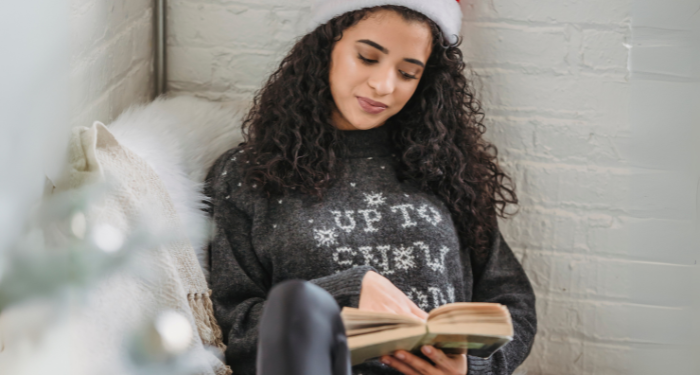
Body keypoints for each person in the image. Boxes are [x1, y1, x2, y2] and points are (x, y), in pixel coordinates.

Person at [203, 1, 537, 374]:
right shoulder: (246, 175)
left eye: (408, 73)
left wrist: (471, 371)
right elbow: (233, 326)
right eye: (366, 57)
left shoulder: (446, 168)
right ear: (324, 48)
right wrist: (347, 291)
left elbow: (512, 304)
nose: (384, 85)